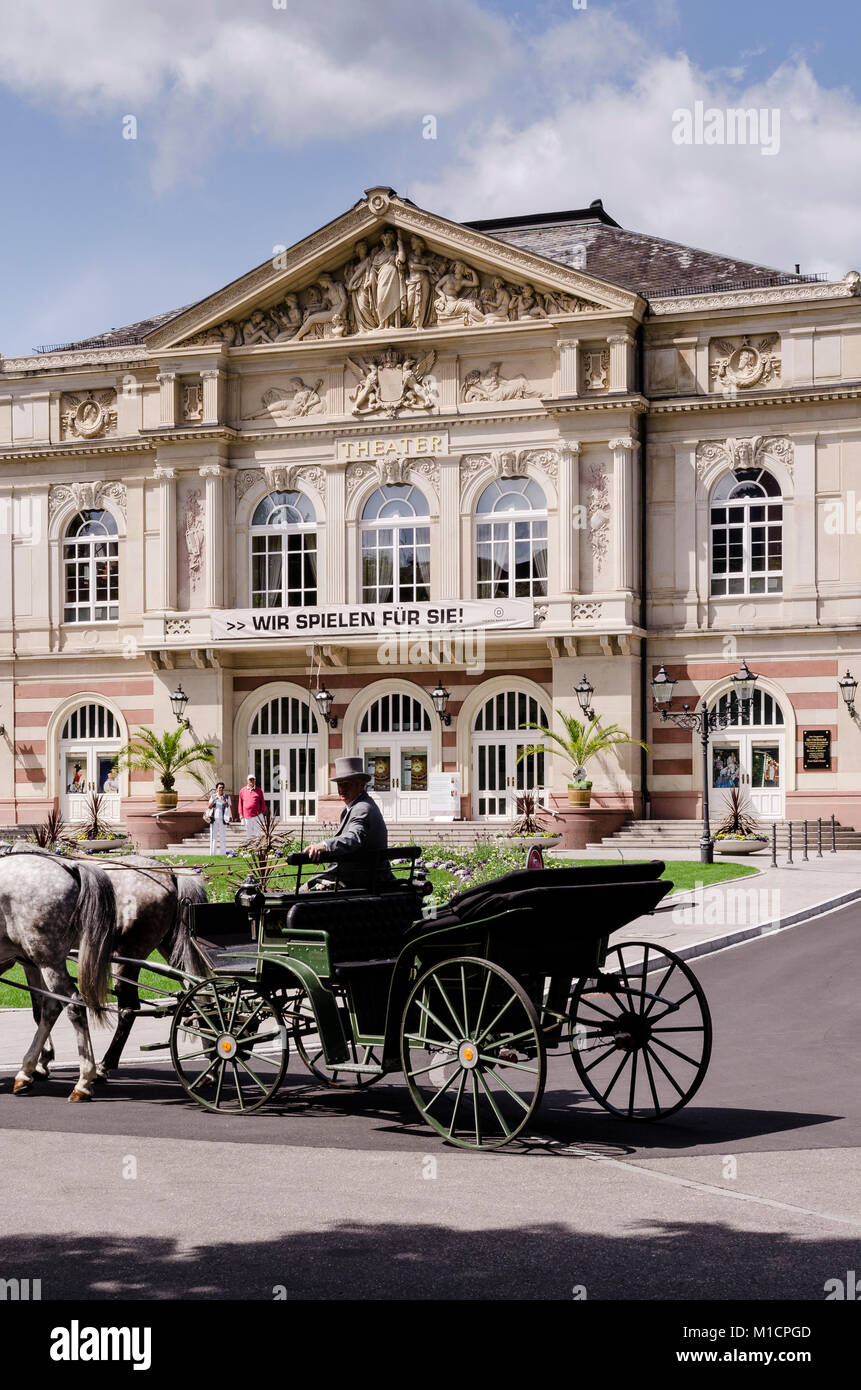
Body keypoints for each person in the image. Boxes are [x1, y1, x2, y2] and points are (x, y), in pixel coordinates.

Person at [305, 756, 393, 890]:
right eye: (339, 784)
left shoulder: (362, 808)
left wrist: (324, 845)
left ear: (361, 784)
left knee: (301, 893)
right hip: (355, 875)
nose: (341, 789)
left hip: (359, 879)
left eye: (347, 784)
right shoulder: (356, 807)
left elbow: (354, 837)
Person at [237, 774, 266, 842]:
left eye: (253, 780)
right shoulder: (242, 790)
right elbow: (240, 803)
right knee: (249, 834)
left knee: (257, 834)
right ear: (247, 781)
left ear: (255, 781)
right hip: (247, 816)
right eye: (250, 780)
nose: (252, 781)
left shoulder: (259, 790)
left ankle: (257, 849)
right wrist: (241, 814)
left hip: (257, 815)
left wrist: (262, 812)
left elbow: (262, 802)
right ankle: (250, 850)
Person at [207, 781, 232, 856]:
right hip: (214, 819)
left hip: (223, 819)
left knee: (222, 836)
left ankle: (223, 853)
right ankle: (212, 854)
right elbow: (209, 806)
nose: (221, 789)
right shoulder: (213, 796)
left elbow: (228, 806)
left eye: (222, 788)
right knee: (213, 837)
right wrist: (214, 800)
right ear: (216, 789)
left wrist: (224, 800)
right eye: (219, 788)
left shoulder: (227, 797)